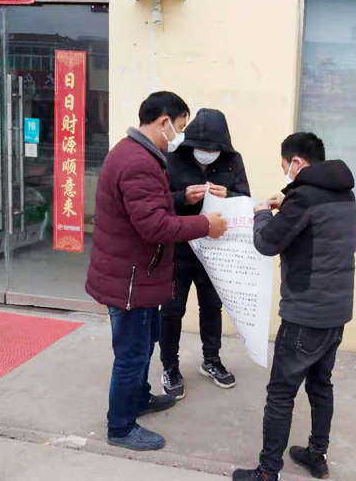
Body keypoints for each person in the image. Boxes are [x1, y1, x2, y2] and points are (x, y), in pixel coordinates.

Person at [85, 92, 227, 452]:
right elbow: (154, 226)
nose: (179, 135)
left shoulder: (138, 153)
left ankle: (139, 397)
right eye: (179, 126)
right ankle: (120, 427)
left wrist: (182, 199)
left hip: (138, 276)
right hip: (130, 281)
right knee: (132, 355)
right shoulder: (138, 161)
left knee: (145, 344)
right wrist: (205, 225)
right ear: (164, 121)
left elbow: (150, 208)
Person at [233, 133, 356, 481]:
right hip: (336, 310)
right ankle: (316, 454)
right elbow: (313, 224)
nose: (285, 172)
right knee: (320, 385)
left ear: (297, 163)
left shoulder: (303, 198)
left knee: (280, 394)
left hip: (306, 313)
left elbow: (266, 242)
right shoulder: (343, 193)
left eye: (285, 166)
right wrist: (287, 200)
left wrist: (261, 213)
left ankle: (267, 472)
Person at [160, 108, 250, 397]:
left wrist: (229, 196)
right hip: (179, 247)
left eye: (213, 150)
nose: (207, 153)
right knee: (172, 309)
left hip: (215, 249)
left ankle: (211, 359)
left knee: (212, 306)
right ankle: (169, 365)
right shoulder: (172, 158)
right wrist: (183, 197)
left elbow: (245, 199)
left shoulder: (233, 160)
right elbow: (158, 201)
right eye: (202, 148)